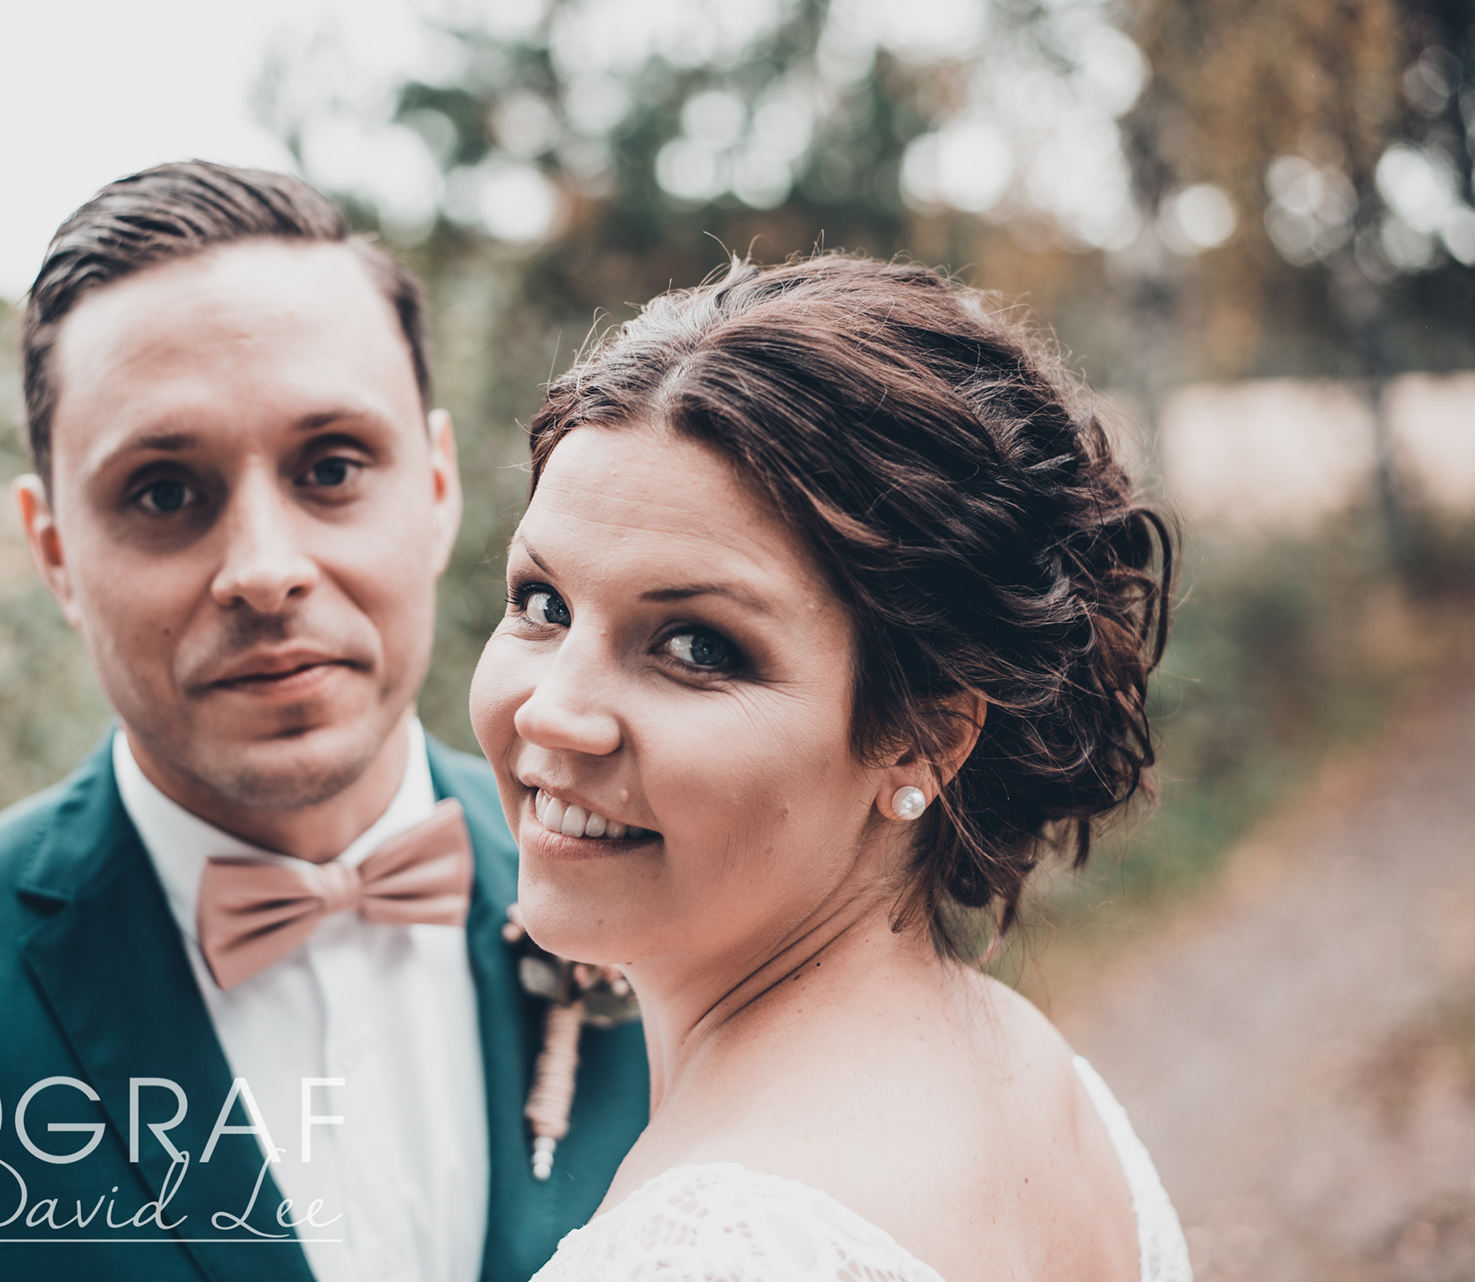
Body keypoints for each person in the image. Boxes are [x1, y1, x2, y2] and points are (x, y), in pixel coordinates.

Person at [0, 163, 648, 1282]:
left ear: (436, 487)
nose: (265, 570)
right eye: (163, 493)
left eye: (331, 467)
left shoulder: (664, 894)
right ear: (53, 551)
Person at [469, 255, 1190, 1281]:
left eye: (697, 647)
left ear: (924, 736)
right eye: (543, 603)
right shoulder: (1031, 1069)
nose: (552, 711)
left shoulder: (713, 1254)